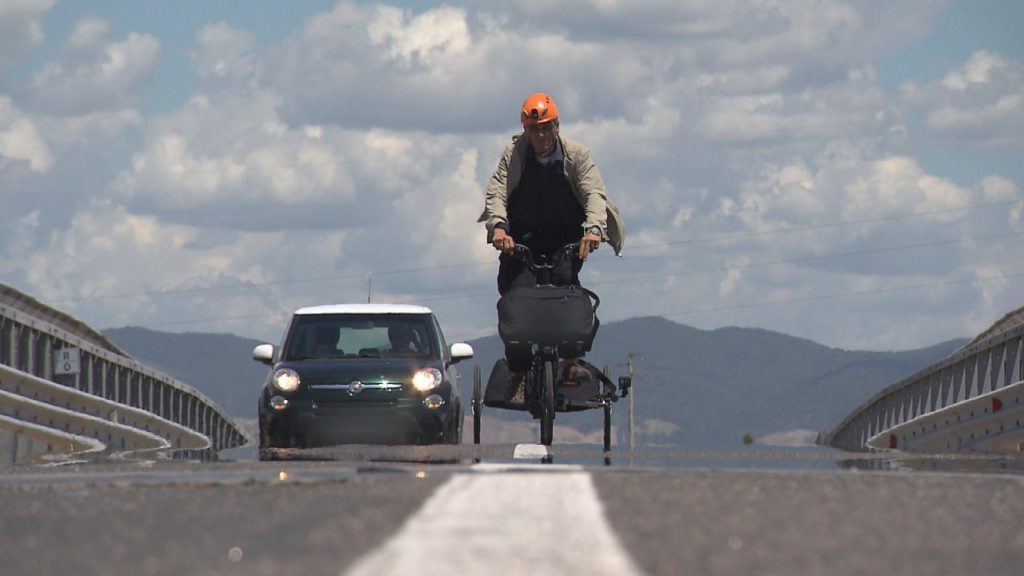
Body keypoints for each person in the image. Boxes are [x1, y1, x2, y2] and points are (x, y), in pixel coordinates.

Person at [479, 91, 625, 403]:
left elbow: (594, 193)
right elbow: (497, 192)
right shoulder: (514, 154)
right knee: (515, 297)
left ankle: (570, 362)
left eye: (547, 128)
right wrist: (499, 227)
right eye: (535, 130)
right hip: (521, 241)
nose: (542, 136)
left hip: (565, 240)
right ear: (526, 130)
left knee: (568, 292)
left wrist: (594, 230)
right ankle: (518, 372)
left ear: (557, 126)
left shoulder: (577, 155)